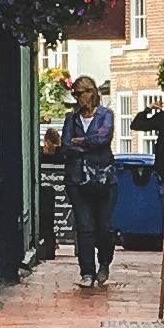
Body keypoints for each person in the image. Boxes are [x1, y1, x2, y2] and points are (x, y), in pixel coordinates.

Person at [55, 75, 118, 289]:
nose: (78, 98)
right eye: (76, 94)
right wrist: (86, 145)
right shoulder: (71, 120)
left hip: (103, 179)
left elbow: (103, 139)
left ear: (92, 93)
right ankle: (87, 272)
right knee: (85, 226)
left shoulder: (105, 115)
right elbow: (65, 147)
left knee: (104, 227)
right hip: (76, 180)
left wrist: (81, 142)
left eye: (80, 94)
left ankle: (105, 262)